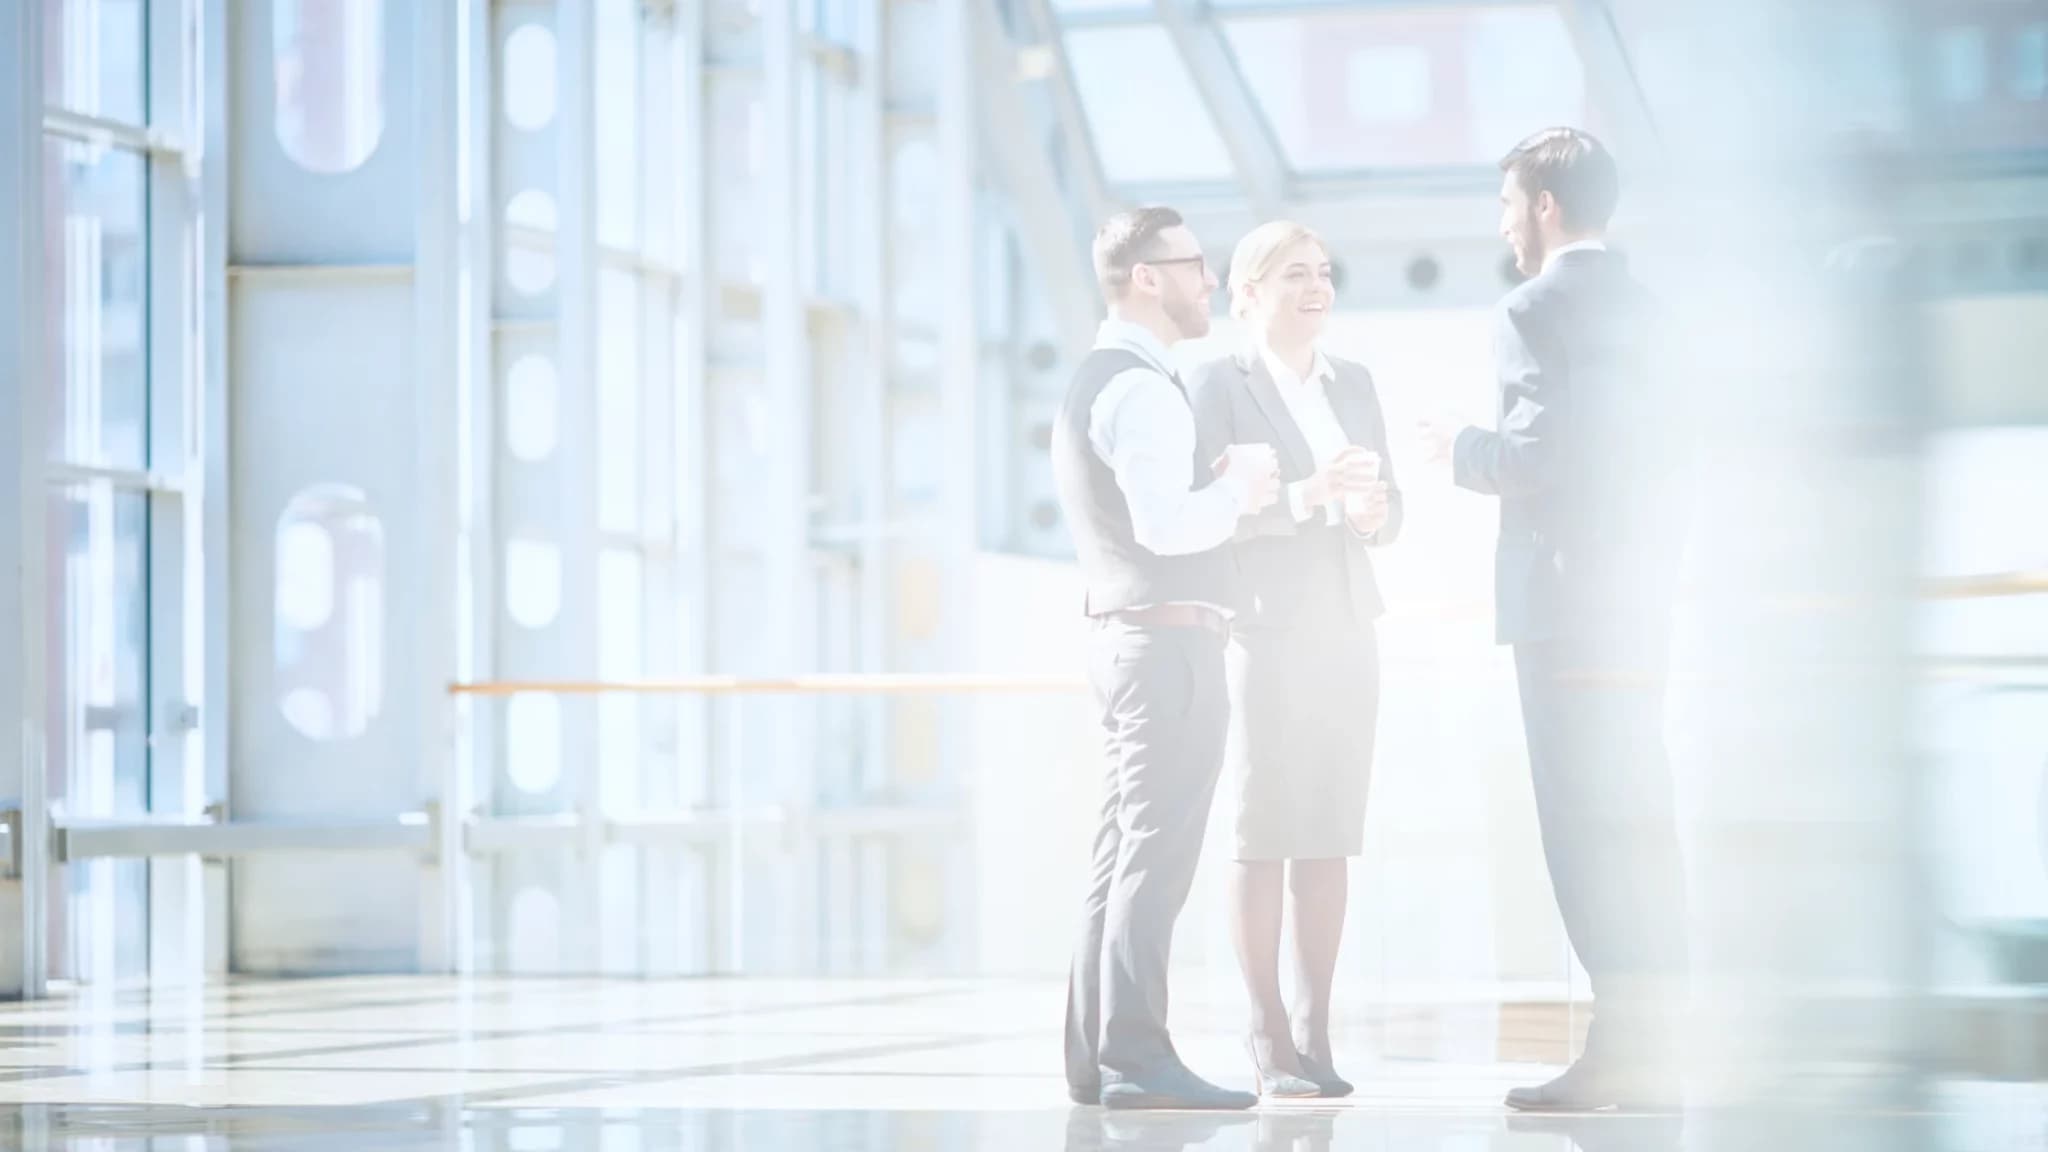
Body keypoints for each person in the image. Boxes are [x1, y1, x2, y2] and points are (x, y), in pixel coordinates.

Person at [1421, 127, 1689, 1111]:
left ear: (1541, 206)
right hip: (1635, 606)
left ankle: (1621, 1049)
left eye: (1505, 204)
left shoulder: (1531, 310)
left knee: (1583, 829)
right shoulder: (1656, 314)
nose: (1501, 223)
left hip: (1563, 613)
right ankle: (1659, 1039)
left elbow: (1536, 457)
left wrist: (1455, 448)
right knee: (1641, 820)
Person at [1054, 206, 1282, 1111]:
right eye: (1194, 265)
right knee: (1154, 855)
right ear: (1146, 276)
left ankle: (1096, 1054)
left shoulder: (1098, 379)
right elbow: (1165, 525)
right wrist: (1237, 485)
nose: (1210, 281)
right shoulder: (1142, 388)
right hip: (1167, 644)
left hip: (1128, 639)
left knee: (1121, 854)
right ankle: (1135, 1059)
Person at [1185, 220, 1401, 1100]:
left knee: (1330, 836)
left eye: (1323, 272)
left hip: (1348, 630)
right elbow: (1209, 518)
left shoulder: (1355, 383)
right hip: (1264, 634)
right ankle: (1267, 1027)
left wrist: (1369, 512)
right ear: (1246, 295)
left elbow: (1392, 515)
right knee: (1264, 833)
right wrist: (1312, 499)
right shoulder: (1216, 386)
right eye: (1292, 276)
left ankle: (1315, 1026)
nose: (1316, 288)